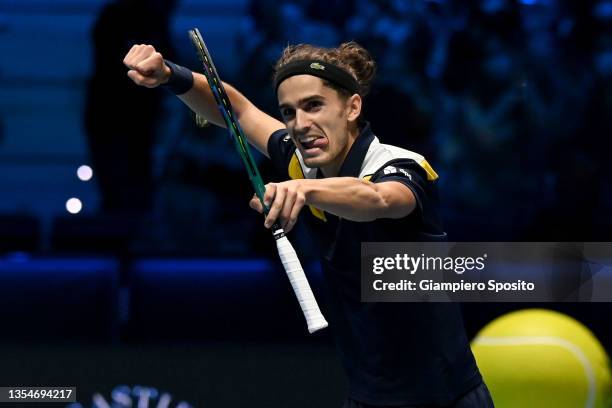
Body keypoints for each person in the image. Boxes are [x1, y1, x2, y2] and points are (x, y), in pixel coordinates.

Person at [123, 41, 494, 407]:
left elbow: (378, 199)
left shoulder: (401, 166)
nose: (300, 125)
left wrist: (304, 189)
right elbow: (236, 110)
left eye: (314, 106)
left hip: (447, 398)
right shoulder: (302, 160)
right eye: (288, 112)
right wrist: (172, 75)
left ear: (352, 107)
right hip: (369, 397)